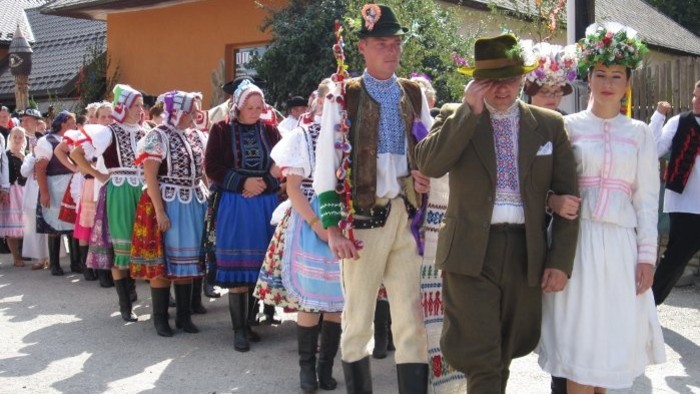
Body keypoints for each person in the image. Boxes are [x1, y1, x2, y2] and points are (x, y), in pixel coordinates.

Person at [415, 33, 579, 393]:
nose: (502, 89)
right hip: (471, 251)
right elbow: (429, 163)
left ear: (523, 77)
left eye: (509, 79)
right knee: (482, 355)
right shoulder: (455, 116)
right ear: (476, 82)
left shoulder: (549, 124)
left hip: (525, 252)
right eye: (491, 81)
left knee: (503, 350)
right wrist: (468, 113)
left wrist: (560, 260)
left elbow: (569, 198)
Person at [539, 22, 666, 393]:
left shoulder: (640, 134)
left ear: (627, 83)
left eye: (616, 75)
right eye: (600, 74)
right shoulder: (567, 127)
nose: (607, 82)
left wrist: (647, 257)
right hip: (577, 246)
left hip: (621, 250)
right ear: (588, 79)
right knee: (582, 344)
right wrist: (553, 201)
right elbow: (542, 186)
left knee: (610, 346)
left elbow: (646, 201)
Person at [314, 4, 433, 392]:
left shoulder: (414, 93)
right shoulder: (342, 95)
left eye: (396, 43)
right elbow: (325, 167)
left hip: (407, 216)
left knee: (411, 319)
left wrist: (427, 173)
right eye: (382, 43)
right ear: (363, 47)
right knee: (358, 319)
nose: (391, 50)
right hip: (362, 222)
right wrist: (333, 229)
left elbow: (430, 149)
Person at [255, 79, 343, 392]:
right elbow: (293, 187)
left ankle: (325, 367)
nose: (335, 104)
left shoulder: (350, 135)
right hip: (310, 217)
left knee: (336, 302)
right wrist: (318, 224)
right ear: (318, 102)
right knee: (310, 300)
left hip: (344, 219)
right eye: (330, 99)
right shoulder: (304, 134)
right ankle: (306, 369)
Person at [204, 79, 281, 351]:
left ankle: (249, 323)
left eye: (259, 106)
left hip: (264, 204)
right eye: (250, 106)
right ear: (238, 105)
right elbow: (211, 165)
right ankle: (238, 330)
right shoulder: (222, 130)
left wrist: (264, 183)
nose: (255, 110)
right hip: (235, 204)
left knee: (258, 267)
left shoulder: (271, 131)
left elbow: (281, 160)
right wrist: (242, 183)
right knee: (238, 269)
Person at [130, 90, 208, 337]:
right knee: (163, 264)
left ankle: (184, 317)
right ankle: (160, 319)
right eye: (191, 111)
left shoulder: (195, 136)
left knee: (187, 264)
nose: (195, 115)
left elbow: (203, 171)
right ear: (177, 112)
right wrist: (160, 211)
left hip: (193, 203)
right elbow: (150, 175)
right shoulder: (157, 136)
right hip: (167, 202)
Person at [70, 84, 146, 321]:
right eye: (136, 106)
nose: (140, 110)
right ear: (123, 107)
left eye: (142, 106)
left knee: (139, 242)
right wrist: (100, 175)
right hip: (120, 190)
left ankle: (132, 292)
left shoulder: (144, 132)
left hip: (141, 190)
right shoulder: (109, 131)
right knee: (120, 246)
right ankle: (125, 304)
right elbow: (76, 153)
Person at [650, 80, 700, 305]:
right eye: (694, 94)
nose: (695, 100)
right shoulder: (680, 122)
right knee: (675, 260)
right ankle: (648, 303)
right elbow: (653, 148)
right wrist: (658, 116)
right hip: (685, 205)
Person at [34, 111, 79, 276]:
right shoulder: (46, 141)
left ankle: (76, 263)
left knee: (73, 224)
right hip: (54, 185)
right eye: (72, 123)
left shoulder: (71, 140)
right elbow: (40, 168)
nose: (75, 126)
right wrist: (44, 192)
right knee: (54, 225)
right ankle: (55, 264)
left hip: (71, 186)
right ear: (64, 124)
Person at [524, 42, 578, 114]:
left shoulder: (566, 121)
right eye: (544, 91)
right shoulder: (518, 120)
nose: (552, 97)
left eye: (557, 91)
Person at [1, 127, 28, 267]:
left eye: (20, 137)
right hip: (12, 192)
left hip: (25, 192)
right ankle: (16, 257)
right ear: (10, 138)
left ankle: (26, 254)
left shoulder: (27, 155)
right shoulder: (6, 155)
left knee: (26, 225)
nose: (17, 140)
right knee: (12, 226)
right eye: (15, 137)